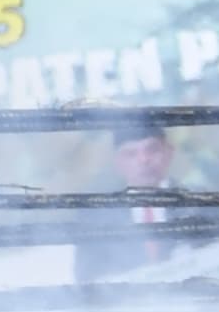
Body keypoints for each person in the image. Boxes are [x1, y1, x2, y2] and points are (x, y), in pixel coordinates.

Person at [77, 117, 186, 278]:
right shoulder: (96, 223)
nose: (144, 160)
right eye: (131, 154)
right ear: (118, 163)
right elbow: (88, 286)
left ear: (168, 152)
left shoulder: (201, 207)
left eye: (152, 149)